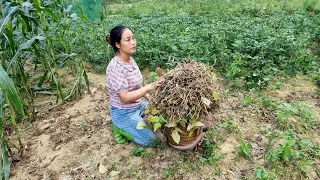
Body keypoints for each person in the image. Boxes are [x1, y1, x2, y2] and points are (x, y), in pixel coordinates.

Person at [105, 25, 165, 147]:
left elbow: (138, 86)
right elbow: (125, 98)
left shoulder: (131, 60)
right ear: (117, 44)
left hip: (138, 106)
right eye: (128, 40)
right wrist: (148, 87)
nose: (133, 42)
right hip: (124, 112)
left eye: (133, 38)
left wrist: (151, 99)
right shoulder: (115, 67)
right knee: (154, 140)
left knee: (165, 118)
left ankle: (138, 119)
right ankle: (119, 127)